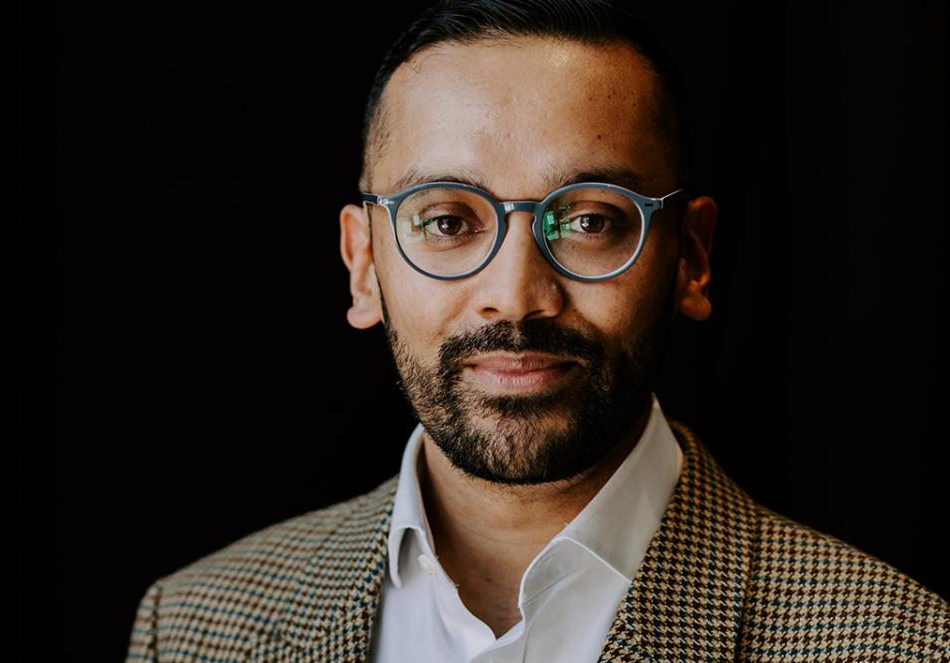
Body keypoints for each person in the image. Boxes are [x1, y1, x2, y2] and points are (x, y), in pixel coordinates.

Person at [124, 1, 950, 661]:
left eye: (590, 220)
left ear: (692, 257)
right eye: (447, 221)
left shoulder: (898, 642)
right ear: (364, 264)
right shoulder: (194, 628)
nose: (516, 298)